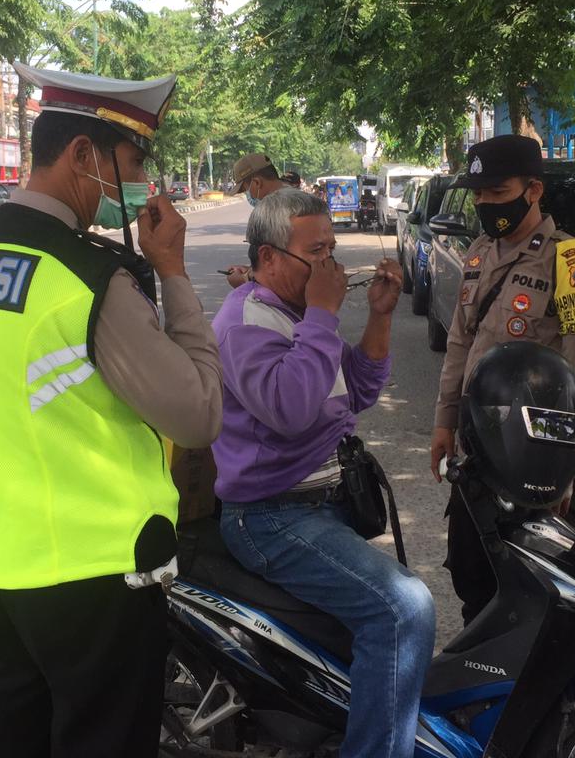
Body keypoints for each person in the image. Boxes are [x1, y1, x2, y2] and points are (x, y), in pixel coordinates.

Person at [0, 63, 223, 758]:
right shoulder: (88, 277)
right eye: (132, 162)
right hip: (94, 586)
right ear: (82, 156)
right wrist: (173, 273)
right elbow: (198, 413)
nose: (140, 183)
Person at [212, 189, 435, 758]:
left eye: (333, 249)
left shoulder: (296, 314)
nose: (331, 265)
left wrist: (380, 316)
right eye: (317, 252)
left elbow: (355, 390)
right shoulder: (247, 320)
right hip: (269, 516)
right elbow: (288, 408)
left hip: (321, 503)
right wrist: (324, 313)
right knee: (404, 608)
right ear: (268, 259)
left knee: (368, 623)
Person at [430, 134, 575, 624]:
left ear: (533, 189)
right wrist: (444, 423)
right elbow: (459, 346)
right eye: (479, 194)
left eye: (497, 191)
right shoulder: (478, 254)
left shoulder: (571, 260)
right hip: (478, 454)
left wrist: (571, 468)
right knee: (474, 582)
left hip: (538, 458)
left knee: (546, 596)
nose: (486, 203)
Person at [225, 153, 287, 288]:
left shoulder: (270, 211)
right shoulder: (305, 201)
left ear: (257, 183)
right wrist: (251, 270)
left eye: (246, 189)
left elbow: (281, 265)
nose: (249, 195)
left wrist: (245, 279)